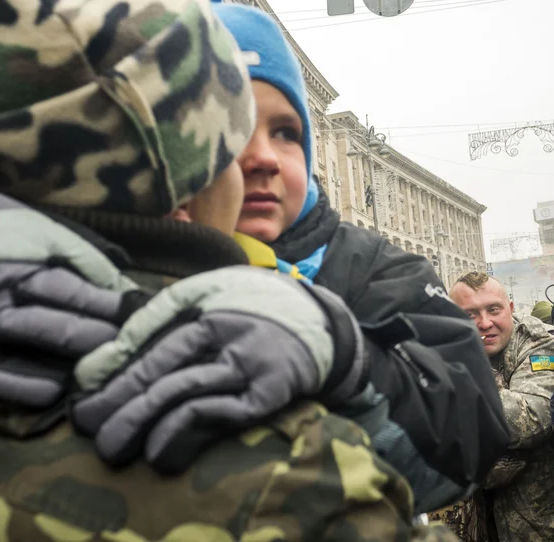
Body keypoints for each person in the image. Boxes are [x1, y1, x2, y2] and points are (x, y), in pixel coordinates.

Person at [0, 1, 459, 540]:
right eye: (234, 141)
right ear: (189, 183)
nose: (257, 163)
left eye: (285, 133)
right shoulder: (292, 470)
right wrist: (345, 366)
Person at [212, 0, 510, 513]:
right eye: (231, 125)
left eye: (286, 132)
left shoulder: (380, 268)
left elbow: (473, 439)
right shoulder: (130, 259)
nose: (261, 155)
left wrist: (349, 364)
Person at [431, 272, 554, 541]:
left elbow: (533, 418)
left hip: (532, 527)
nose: (485, 323)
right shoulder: (438, 348)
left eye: (494, 310)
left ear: (510, 309)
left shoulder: (539, 342)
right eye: (470, 314)